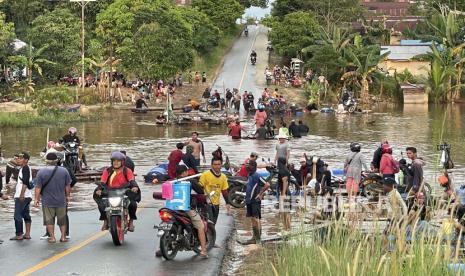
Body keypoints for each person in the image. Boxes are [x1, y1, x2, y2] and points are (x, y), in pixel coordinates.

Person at [155, 165, 208, 258]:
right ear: (184, 173)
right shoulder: (190, 181)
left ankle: (160, 248)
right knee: (200, 226)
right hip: (185, 209)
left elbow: (165, 195)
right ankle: (203, 250)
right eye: (186, 172)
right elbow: (201, 191)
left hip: (170, 208)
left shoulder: (170, 182)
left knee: (164, 225)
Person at [94, 152, 140, 231]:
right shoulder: (107, 171)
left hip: (124, 190)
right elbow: (103, 182)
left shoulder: (127, 170)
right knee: (101, 204)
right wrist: (99, 189)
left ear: (122, 162)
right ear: (111, 162)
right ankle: (105, 221)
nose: (116, 163)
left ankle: (131, 222)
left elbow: (132, 180)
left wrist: (134, 187)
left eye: (118, 161)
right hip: (110, 191)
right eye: (114, 161)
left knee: (132, 204)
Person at [34, 153, 72, 243]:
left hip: (47, 201)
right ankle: (63, 237)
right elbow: (68, 185)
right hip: (61, 200)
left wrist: (36, 199)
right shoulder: (64, 171)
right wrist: (67, 196)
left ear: (46, 161)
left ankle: (52, 237)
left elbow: (38, 187)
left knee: (49, 220)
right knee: (62, 220)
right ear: (56, 161)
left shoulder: (41, 172)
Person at [240, 160, 270, 244]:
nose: (247, 166)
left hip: (255, 200)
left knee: (256, 219)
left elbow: (267, 184)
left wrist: (260, 194)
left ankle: (257, 239)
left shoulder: (257, 175)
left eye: (249, 165)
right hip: (249, 200)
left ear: (254, 167)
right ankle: (255, 237)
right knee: (253, 218)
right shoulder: (249, 175)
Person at [199, 156, 230, 224]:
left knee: (214, 223)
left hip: (216, 204)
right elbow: (199, 188)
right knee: (209, 223)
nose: (217, 166)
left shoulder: (223, 177)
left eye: (218, 164)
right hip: (207, 203)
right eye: (215, 164)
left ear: (221, 165)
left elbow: (224, 191)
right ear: (211, 165)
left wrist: (227, 203)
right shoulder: (205, 175)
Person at [10, 152, 33, 241]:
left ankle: (19, 234)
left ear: (26, 160)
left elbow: (25, 182)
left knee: (17, 215)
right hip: (27, 196)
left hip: (23, 196)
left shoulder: (25, 168)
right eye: (18, 158)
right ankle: (27, 234)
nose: (18, 159)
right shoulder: (25, 168)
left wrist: (21, 195)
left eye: (20, 158)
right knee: (26, 215)